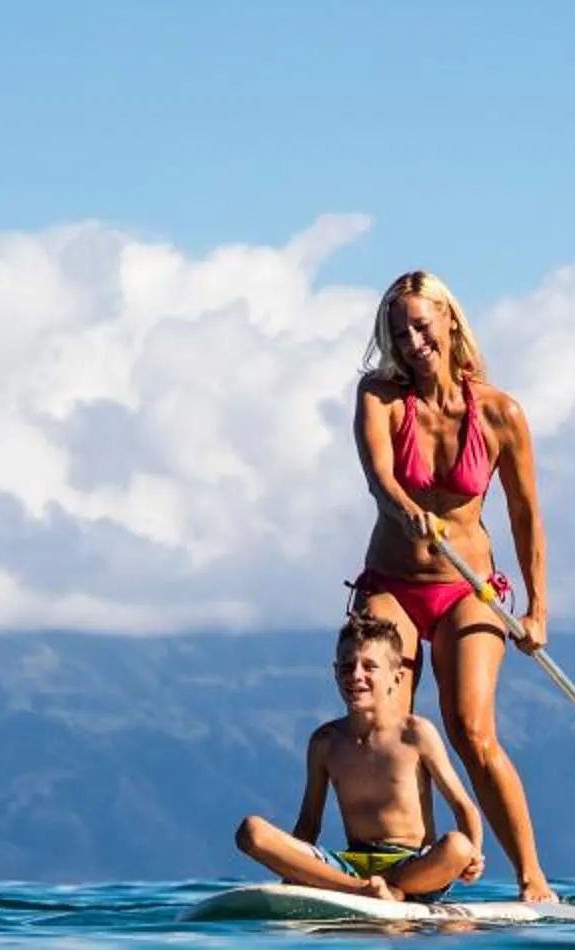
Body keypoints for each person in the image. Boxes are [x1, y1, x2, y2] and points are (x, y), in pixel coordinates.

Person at [349, 271, 557, 903]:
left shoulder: (501, 413)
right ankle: (418, 880)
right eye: (399, 330)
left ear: (451, 322)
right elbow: (379, 477)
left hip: (471, 591)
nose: (412, 341)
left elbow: (526, 515)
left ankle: (531, 879)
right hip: (393, 582)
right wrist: (403, 508)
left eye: (422, 324)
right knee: (393, 730)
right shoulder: (379, 397)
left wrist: (539, 609)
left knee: (469, 729)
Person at [236, 615, 485, 901]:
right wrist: (293, 869)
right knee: (251, 831)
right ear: (335, 673)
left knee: (458, 847)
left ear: (396, 676)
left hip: (412, 867)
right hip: (350, 867)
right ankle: (365, 891)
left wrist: (474, 854)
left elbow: (463, 806)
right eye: (347, 666)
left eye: (369, 666)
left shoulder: (415, 733)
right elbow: (308, 824)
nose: (355, 675)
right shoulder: (325, 742)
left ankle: (390, 889)